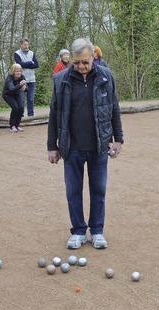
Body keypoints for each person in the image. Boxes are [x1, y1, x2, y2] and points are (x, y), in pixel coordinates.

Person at [47, 38, 124, 250]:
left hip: (99, 144)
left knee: (98, 189)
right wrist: (51, 146)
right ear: (72, 59)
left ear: (93, 58)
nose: (81, 66)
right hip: (71, 147)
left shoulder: (106, 77)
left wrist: (118, 139)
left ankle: (97, 230)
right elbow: (54, 114)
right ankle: (79, 231)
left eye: (85, 62)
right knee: (73, 191)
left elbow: (114, 108)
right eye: (77, 62)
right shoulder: (60, 79)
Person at [13, 38, 39, 117]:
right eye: (25, 45)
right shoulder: (16, 53)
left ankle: (31, 115)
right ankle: (21, 115)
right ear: (21, 45)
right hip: (21, 80)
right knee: (21, 99)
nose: (26, 46)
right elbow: (20, 65)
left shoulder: (32, 53)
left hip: (31, 79)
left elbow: (36, 65)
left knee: (30, 99)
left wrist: (25, 65)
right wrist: (30, 63)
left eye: (27, 44)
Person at [2, 63, 27, 133]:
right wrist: (20, 85)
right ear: (13, 71)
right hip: (8, 95)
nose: (18, 73)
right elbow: (11, 88)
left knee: (21, 108)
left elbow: (27, 89)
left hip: (17, 94)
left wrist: (25, 88)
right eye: (17, 71)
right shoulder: (9, 78)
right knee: (15, 108)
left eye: (20, 71)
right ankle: (12, 126)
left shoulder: (22, 77)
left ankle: (17, 125)